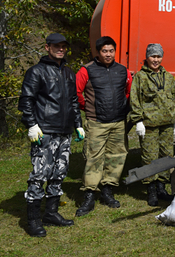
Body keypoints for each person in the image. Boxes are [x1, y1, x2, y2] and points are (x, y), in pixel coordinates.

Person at [18, 33, 84, 237]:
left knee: (59, 173)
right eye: (56, 46)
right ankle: (34, 220)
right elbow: (26, 100)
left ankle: (51, 213)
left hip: (64, 132)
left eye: (64, 46)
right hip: (44, 131)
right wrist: (31, 125)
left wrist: (78, 125)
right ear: (47, 47)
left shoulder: (68, 72)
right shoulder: (36, 71)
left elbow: (73, 100)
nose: (61, 49)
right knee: (40, 174)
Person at [75, 36, 132, 216]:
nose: (108, 54)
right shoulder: (86, 70)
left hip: (118, 122)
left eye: (111, 51)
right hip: (96, 122)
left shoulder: (123, 70)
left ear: (115, 52)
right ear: (97, 52)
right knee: (94, 158)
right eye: (104, 51)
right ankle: (90, 194)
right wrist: (88, 108)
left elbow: (129, 92)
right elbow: (76, 93)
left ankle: (108, 190)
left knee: (116, 156)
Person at [128, 43, 175, 206]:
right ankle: (150, 190)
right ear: (147, 57)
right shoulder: (140, 77)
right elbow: (134, 100)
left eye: (158, 56)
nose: (156, 60)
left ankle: (161, 188)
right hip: (149, 124)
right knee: (149, 157)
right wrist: (138, 121)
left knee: (165, 156)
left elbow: (174, 97)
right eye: (153, 56)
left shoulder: (168, 76)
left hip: (167, 123)